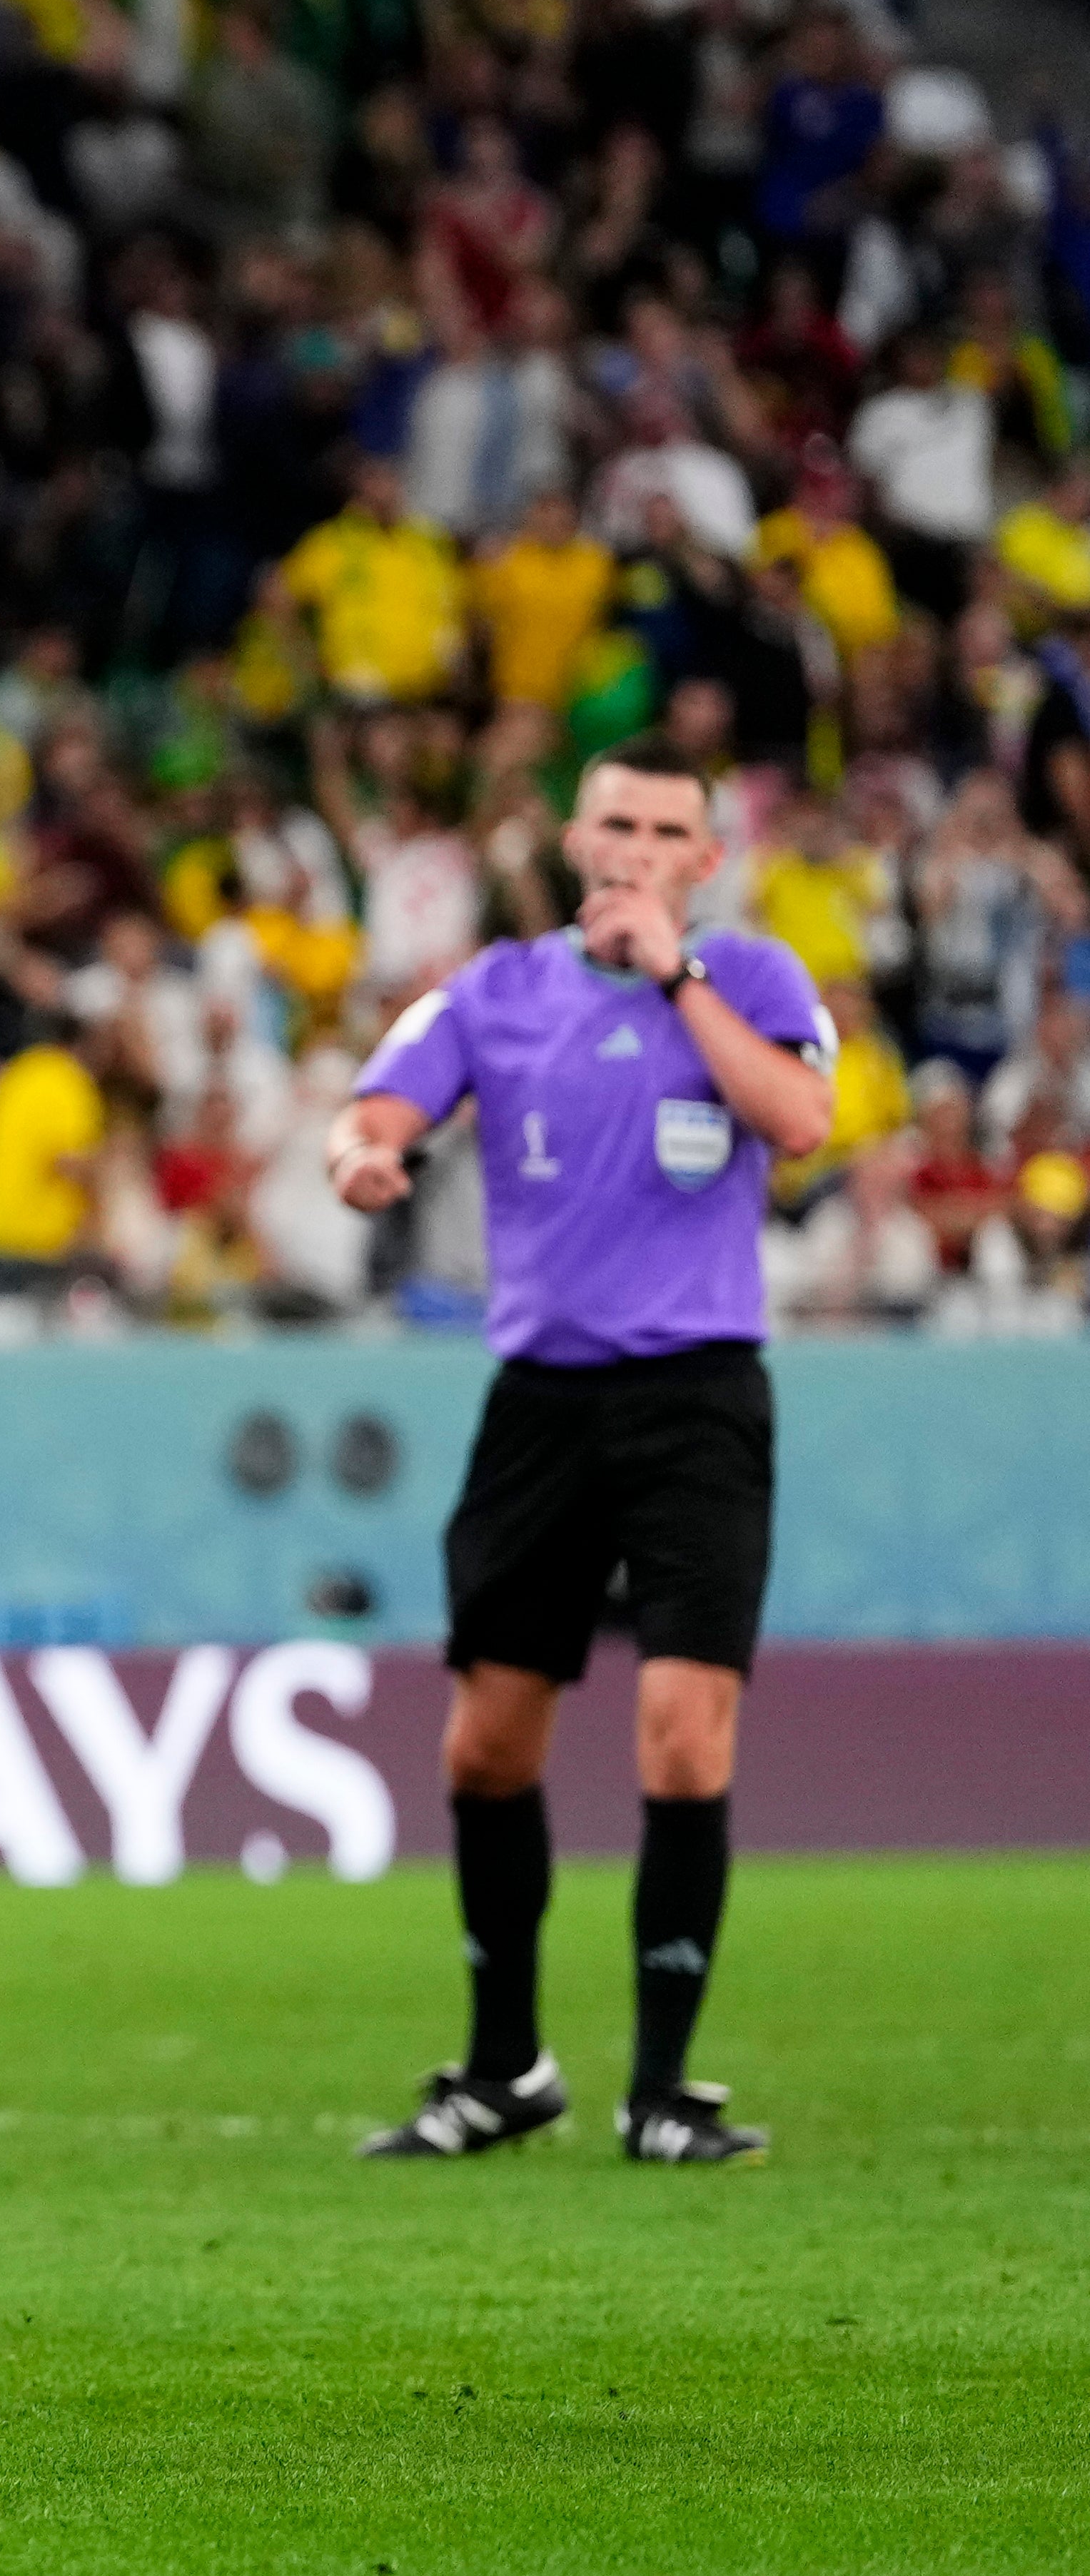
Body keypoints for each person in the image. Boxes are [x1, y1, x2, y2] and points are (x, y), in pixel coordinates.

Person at [326, 736, 836, 2169]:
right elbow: (375, 1103)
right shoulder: (493, 989)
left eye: (661, 826)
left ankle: (659, 2089)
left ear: (699, 856)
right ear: (570, 834)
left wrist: (669, 972)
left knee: (682, 1729)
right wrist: (363, 1153)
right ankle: (504, 2068)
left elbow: (798, 1118)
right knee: (483, 1745)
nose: (628, 844)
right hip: (538, 1402)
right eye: (609, 817)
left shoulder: (752, 980)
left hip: (694, 1399)